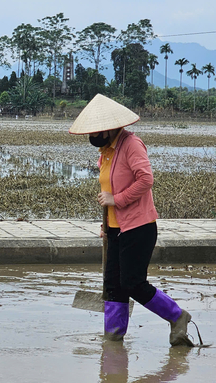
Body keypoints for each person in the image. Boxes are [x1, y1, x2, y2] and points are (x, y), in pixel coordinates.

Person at [69, 94, 194, 347]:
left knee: (132, 283)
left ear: (112, 126)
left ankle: (178, 316)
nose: (93, 135)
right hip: (115, 229)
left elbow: (146, 180)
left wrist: (118, 199)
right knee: (113, 285)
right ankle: (113, 341)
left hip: (139, 227)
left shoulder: (131, 145)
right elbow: (107, 190)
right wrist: (106, 225)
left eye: (98, 130)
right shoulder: (106, 151)